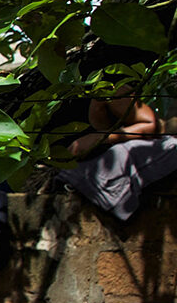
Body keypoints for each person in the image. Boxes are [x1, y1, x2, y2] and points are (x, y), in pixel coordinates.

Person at [58, 92, 177, 222]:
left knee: (125, 152)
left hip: (157, 139)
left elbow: (151, 126)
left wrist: (99, 138)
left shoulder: (111, 91)